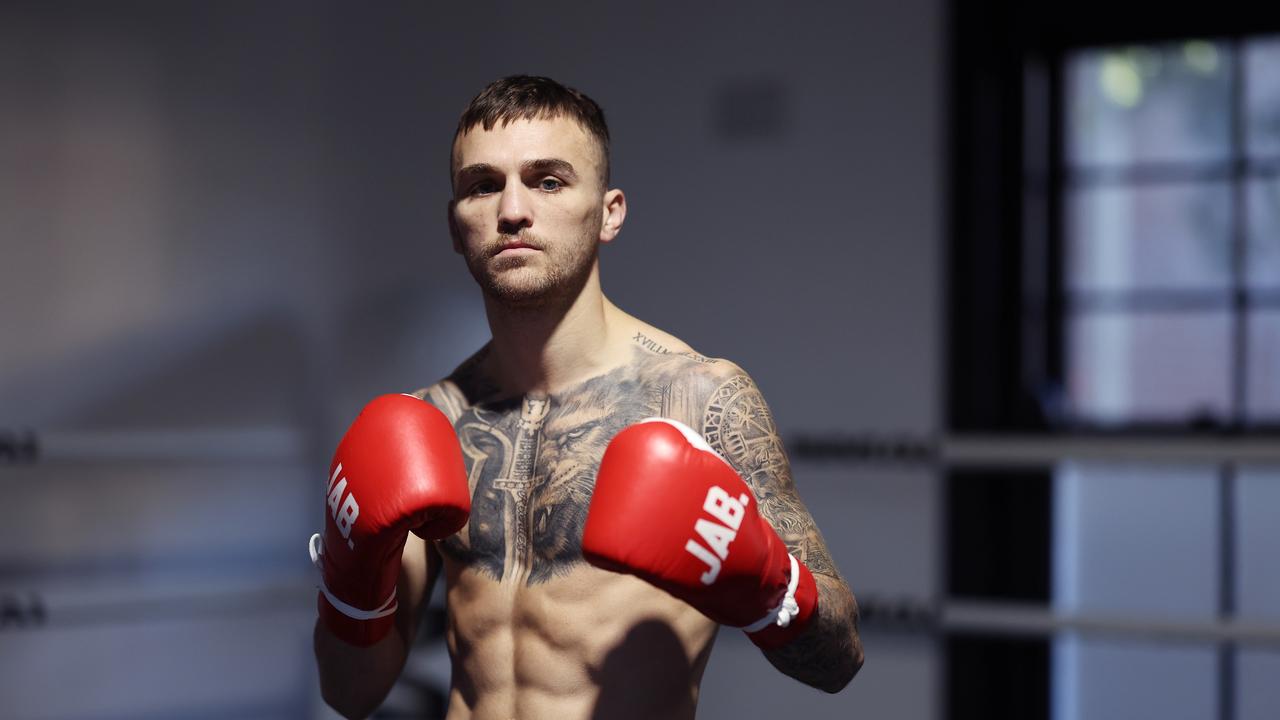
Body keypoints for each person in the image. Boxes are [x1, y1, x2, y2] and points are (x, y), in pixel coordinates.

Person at [311, 75, 863, 720]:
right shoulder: (431, 424)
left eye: (548, 181)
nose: (511, 210)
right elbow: (349, 693)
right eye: (483, 185)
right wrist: (350, 577)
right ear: (456, 226)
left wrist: (766, 585)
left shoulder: (698, 398)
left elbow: (839, 661)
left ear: (609, 212)